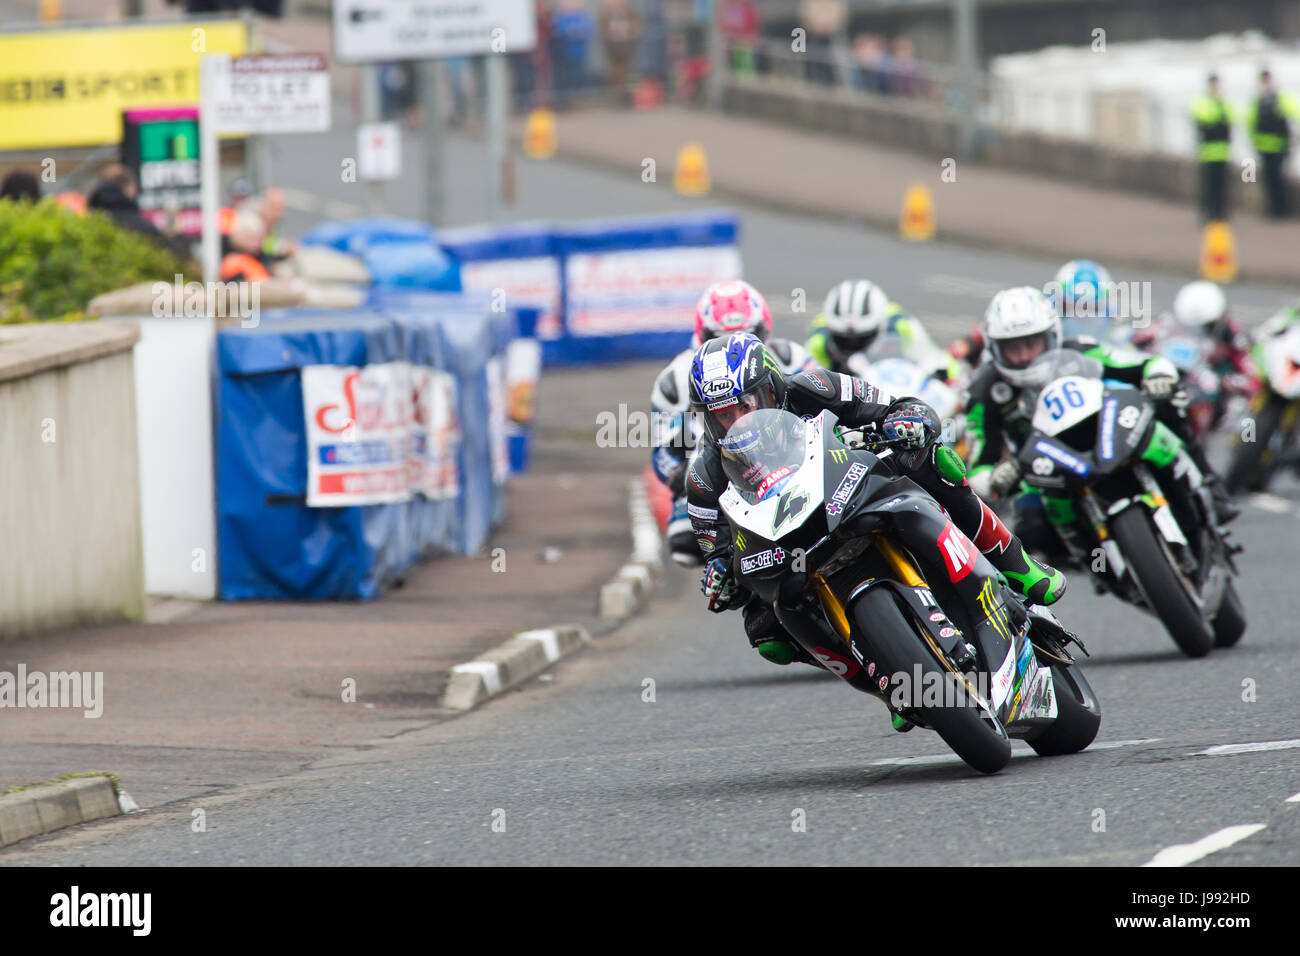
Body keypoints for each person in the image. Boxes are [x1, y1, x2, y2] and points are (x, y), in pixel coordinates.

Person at [686, 332, 1067, 712]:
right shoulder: (704, 475)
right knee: (763, 628)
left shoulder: (814, 387)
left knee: (930, 461)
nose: (736, 421)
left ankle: (1016, 563)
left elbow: (896, 405)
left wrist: (908, 422)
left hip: (850, 488)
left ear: (770, 388)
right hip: (786, 545)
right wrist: (721, 575)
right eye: (722, 414)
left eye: (744, 406)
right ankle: (886, 678)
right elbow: (715, 549)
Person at [963, 287, 1238, 566]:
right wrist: (996, 477)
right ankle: (1094, 560)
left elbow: (1139, 364)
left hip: (1104, 432)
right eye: (1013, 348)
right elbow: (978, 462)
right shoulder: (984, 391)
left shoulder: (1077, 349)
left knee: (1169, 404)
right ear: (995, 349)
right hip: (1038, 468)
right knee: (1032, 531)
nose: (1024, 356)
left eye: (1031, 344)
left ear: (1051, 336)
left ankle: (1210, 485)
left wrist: (1158, 376)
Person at [650, 281, 812, 566]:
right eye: (720, 336)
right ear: (702, 334)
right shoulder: (676, 378)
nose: (731, 345)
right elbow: (660, 448)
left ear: (763, 330)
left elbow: (822, 400)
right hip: (722, 472)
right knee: (685, 545)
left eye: (745, 334)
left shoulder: (791, 357)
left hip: (794, 456)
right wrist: (679, 473)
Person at [807, 279, 961, 381]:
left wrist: (944, 374)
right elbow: (806, 375)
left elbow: (936, 359)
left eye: (862, 338)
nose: (853, 344)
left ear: (880, 326)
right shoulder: (819, 340)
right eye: (844, 339)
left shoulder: (901, 325)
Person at [1247, 68, 1300, 218]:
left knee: (1278, 180)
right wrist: (1254, 142)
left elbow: (1295, 112)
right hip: (1264, 147)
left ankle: (1280, 210)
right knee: (1269, 181)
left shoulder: (1280, 98)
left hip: (1279, 147)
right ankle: (1272, 210)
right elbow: (1251, 122)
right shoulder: (1258, 101)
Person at [1191, 74, 1232, 223]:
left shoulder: (1222, 102)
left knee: (1221, 186)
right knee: (1208, 186)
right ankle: (1208, 214)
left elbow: (1233, 115)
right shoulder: (1204, 102)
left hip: (1223, 151)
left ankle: (1220, 214)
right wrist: (1219, 113)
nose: (1216, 88)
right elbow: (1205, 116)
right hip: (1208, 153)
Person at [599, 0, 642, 104]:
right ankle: (616, 97)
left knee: (628, 71)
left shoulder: (631, 10)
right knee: (614, 72)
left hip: (627, 44)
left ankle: (626, 98)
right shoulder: (605, 11)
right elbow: (602, 27)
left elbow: (637, 25)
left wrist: (629, 31)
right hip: (611, 45)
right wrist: (612, 33)